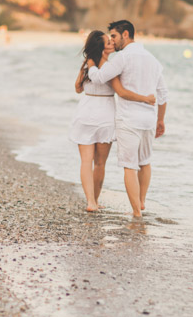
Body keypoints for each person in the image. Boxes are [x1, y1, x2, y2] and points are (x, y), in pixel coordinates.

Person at [87, 20, 168, 218]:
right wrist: (160, 120)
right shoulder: (152, 59)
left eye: (114, 36)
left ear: (125, 34)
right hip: (148, 119)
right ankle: (141, 203)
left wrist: (90, 64)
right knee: (145, 162)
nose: (112, 41)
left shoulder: (123, 58)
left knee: (129, 166)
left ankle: (135, 212)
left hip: (129, 119)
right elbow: (163, 94)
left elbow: (98, 78)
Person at [70, 30, 156, 212]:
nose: (111, 44)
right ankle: (95, 200)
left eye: (111, 41)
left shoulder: (87, 65)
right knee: (100, 163)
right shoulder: (111, 68)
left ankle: (90, 202)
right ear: (101, 48)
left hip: (85, 112)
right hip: (105, 116)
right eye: (107, 42)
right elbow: (122, 92)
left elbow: (78, 88)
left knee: (86, 161)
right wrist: (146, 98)